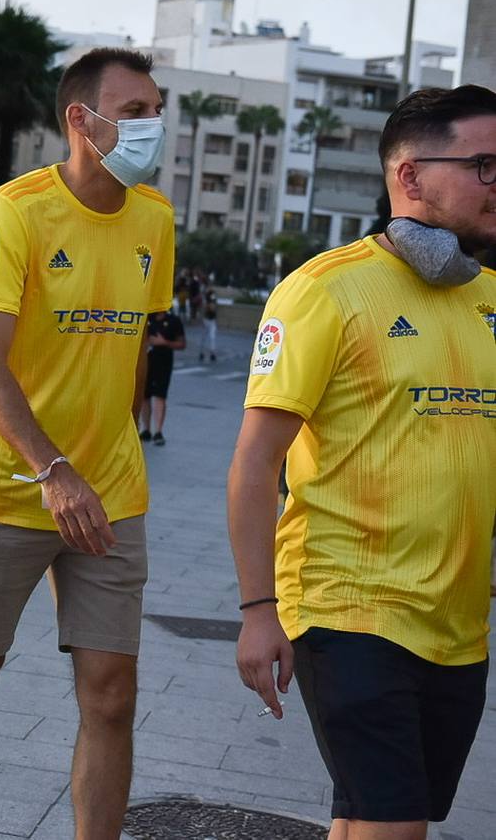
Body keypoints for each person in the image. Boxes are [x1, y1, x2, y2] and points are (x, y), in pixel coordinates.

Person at [0, 47, 174, 840]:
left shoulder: (154, 219)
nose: (149, 127)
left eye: (156, 110)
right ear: (79, 120)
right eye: (133, 112)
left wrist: (105, 454)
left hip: (113, 494)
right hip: (14, 487)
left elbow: (130, 355)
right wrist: (53, 469)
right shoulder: (16, 210)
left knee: (112, 695)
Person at [227, 85, 496, 840]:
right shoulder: (323, 291)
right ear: (409, 178)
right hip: (348, 605)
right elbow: (254, 465)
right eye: (483, 164)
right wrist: (257, 612)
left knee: (367, 819)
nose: (495, 182)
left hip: (460, 623)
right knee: (394, 826)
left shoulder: (490, 300)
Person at [139, 309, 185, 446]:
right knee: (144, 395)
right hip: (146, 361)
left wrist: (164, 342)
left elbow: (182, 344)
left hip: (163, 363)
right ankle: (145, 429)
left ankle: (158, 431)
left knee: (160, 395)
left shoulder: (173, 321)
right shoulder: (146, 319)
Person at [197, 293, 218, 361]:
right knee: (203, 338)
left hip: (212, 322)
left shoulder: (213, 304)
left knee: (212, 337)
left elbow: (214, 312)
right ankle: (201, 352)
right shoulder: (206, 304)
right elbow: (203, 313)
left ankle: (212, 353)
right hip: (206, 321)